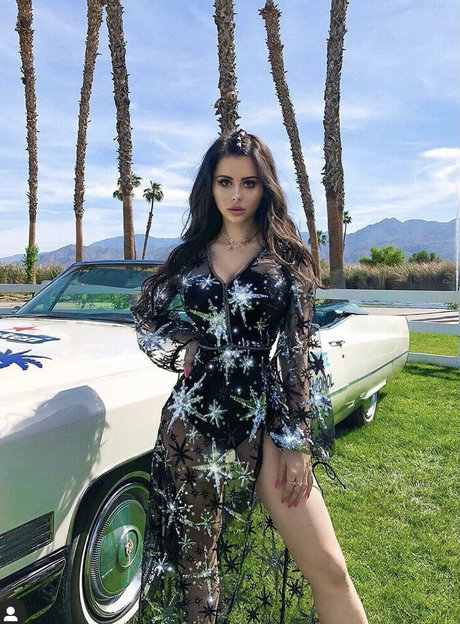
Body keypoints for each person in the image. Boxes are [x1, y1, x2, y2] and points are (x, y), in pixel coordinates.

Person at [132, 129, 368, 624]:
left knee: (328, 567)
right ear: (210, 186)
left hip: (264, 419)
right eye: (225, 182)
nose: (236, 195)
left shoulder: (288, 258)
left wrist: (297, 441)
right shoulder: (190, 255)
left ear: (265, 188)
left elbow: (297, 354)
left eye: (249, 183)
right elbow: (146, 313)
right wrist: (186, 339)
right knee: (197, 567)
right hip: (190, 420)